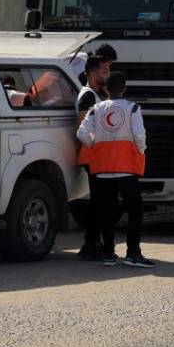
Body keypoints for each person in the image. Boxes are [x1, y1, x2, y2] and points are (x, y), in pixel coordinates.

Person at [76, 70, 155, 268]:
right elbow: (139, 135)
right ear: (124, 89)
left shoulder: (96, 108)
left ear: (106, 89)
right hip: (126, 169)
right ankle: (132, 253)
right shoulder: (133, 109)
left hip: (102, 169)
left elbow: (82, 133)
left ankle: (109, 254)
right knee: (135, 210)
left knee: (106, 212)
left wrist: (95, 145)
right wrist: (141, 151)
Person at [73, 56, 109, 260]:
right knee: (98, 200)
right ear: (93, 74)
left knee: (99, 199)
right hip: (92, 156)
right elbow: (81, 127)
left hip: (97, 155)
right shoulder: (88, 96)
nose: (108, 74)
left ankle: (93, 241)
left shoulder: (97, 95)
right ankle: (91, 242)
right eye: (105, 71)